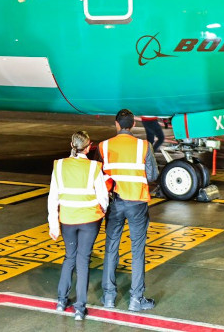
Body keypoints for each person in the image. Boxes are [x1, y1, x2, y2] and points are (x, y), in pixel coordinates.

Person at [100, 109, 159, 312]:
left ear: (116, 124)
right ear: (133, 125)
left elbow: (99, 176)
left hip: (114, 202)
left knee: (111, 248)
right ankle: (136, 299)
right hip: (137, 203)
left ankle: (108, 297)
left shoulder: (104, 146)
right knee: (137, 250)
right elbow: (151, 175)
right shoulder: (144, 146)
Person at [48, 131, 109, 321]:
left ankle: (61, 300)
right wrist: (103, 210)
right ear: (89, 146)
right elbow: (103, 197)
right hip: (90, 220)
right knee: (83, 261)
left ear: (71, 144)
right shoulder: (93, 167)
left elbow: (53, 197)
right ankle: (80, 308)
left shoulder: (59, 166)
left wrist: (53, 224)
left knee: (69, 258)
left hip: (67, 219)